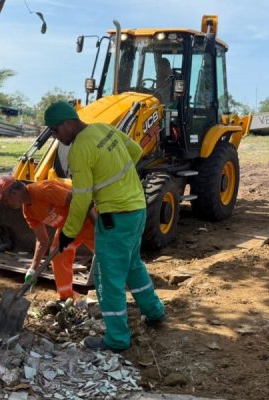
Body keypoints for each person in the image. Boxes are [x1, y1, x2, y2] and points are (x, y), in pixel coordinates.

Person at [44, 101, 166, 352]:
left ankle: (117, 339)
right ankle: (154, 311)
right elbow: (134, 151)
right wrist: (115, 177)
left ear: (68, 123)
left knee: (106, 278)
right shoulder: (105, 129)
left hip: (115, 217)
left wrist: (68, 233)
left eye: (55, 131)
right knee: (132, 264)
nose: (56, 137)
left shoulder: (79, 150)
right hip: (137, 209)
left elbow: (81, 198)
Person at [0, 176, 95, 300]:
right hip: (68, 228)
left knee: (108, 257)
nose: (6, 204)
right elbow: (42, 241)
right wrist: (33, 270)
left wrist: (96, 226)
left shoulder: (43, 190)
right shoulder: (28, 211)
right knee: (57, 256)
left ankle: (115, 298)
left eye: (5, 200)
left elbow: (79, 201)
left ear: (14, 193)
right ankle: (67, 298)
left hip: (89, 219)